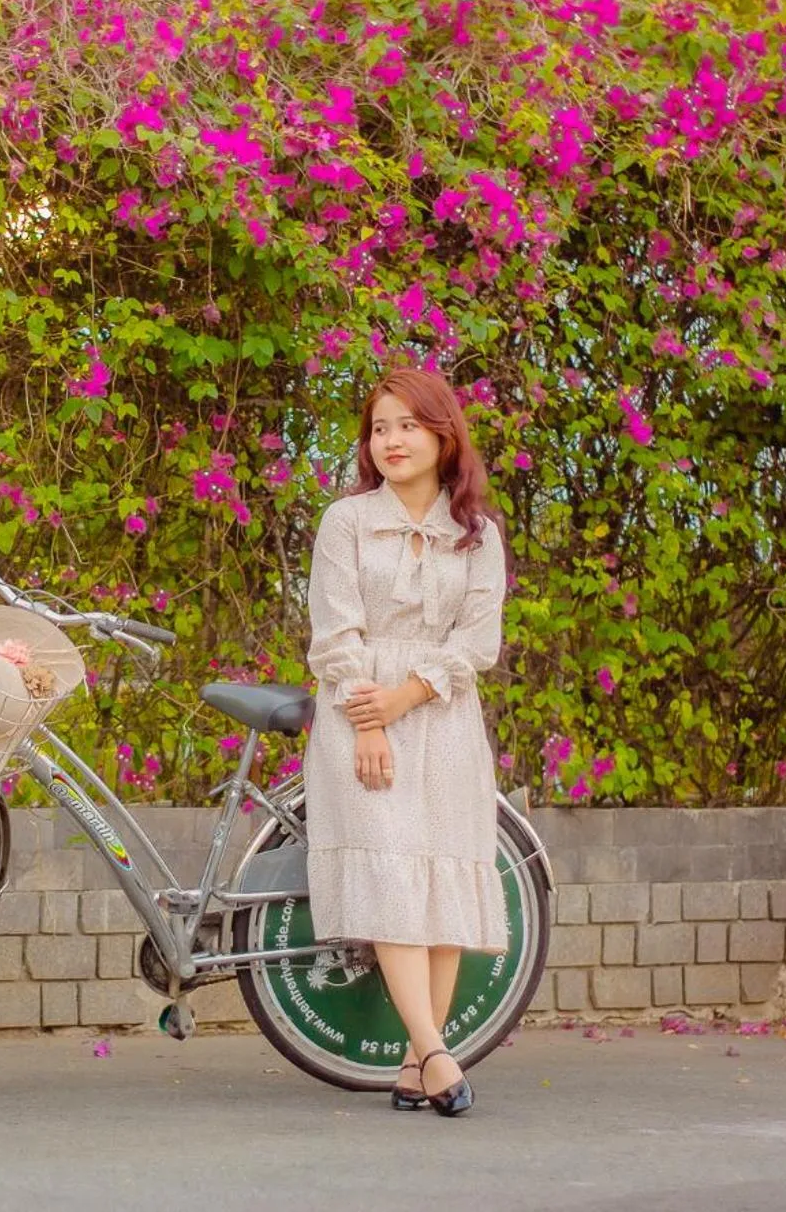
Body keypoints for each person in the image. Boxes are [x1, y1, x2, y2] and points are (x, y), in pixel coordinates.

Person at [304, 365, 509, 1118]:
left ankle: (412, 1064)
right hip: (359, 708)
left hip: (444, 716)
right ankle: (438, 1051)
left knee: (440, 879)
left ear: (442, 433)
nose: (390, 439)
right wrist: (370, 717)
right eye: (378, 427)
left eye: (406, 425)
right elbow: (335, 630)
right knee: (394, 881)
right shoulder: (347, 521)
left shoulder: (478, 536)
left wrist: (407, 697)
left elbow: (476, 642)